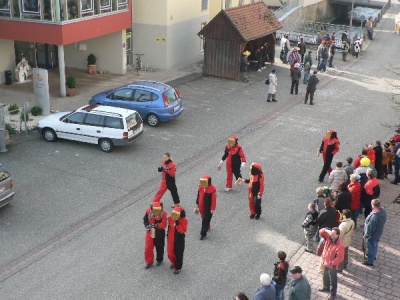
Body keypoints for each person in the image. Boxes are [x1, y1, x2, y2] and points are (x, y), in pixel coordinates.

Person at [318, 227, 345, 300]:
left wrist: (332, 263)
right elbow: (321, 232)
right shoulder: (329, 237)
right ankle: (326, 287)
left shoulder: (340, 245)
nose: (331, 235)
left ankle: (333, 295)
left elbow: (340, 257)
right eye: (331, 233)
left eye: (333, 234)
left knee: (333, 280)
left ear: (338, 235)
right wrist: (326, 230)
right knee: (325, 276)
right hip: (325, 262)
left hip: (332, 265)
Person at [363, 199, 387, 266]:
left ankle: (370, 261)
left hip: (373, 233)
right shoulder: (383, 211)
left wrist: (366, 235)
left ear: (373, 205)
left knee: (371, 244)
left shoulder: (375, 216)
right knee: (375, 243)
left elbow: (370, 226)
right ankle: (373, 255)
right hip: (379, 231)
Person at [143, 202, 167, 269]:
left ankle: (159, 259)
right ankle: (149, 261)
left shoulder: (164, 214)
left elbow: (164, 224)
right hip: (150, 232)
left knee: (159, 247)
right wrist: (147, 226)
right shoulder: (148, 212)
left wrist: (156, 225)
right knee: (148, 247)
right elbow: (145, 220)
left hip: (159, 232)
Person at [194, 174, 217, 240]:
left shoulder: (212, 190)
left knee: (205, 220)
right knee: (203, 217)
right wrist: (197, 205)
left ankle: (203, 233)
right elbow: (198, 196)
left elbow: (213, 200)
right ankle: (207, 225)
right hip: (201, 206)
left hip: (208, 208)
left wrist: (212, 208)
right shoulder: (200, 188)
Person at [167, 205, 188, 274]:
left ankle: (178, 267)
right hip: (171, 238)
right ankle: (174, 262)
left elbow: (183, 230)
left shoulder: (184, 220)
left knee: (179, 253)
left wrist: (177, 224)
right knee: (170, 252)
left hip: (179, 239)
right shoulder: (170, 218)